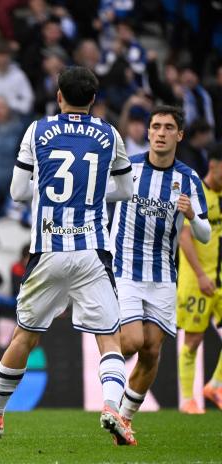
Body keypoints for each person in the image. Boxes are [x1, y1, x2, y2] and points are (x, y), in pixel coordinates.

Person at [0, 66, 136, 445]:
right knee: (108, 339)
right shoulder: (110, 134)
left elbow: (17, 192)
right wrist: (92, 193)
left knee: (24, 337)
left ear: (58, 95)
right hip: (93, 250)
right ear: (93, 100)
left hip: (48, 248)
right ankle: (113, 408)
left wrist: (47, 191)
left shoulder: (38, 130)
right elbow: (125, 191)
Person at [111, 106, 211, 428]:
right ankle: (110, 396)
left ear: (179, 135)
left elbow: (205, 235)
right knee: (131, 341)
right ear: (149, 132)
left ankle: (123, 420)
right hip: (125, 268)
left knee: (152, 351)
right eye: (156, 126)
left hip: (164, 275)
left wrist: (193, 216)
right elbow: (99, 198)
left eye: (169, 127)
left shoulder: (189, 179)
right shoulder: (128, 168)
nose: (161, 133)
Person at [176, 143, 222, 414]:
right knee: (193, 341)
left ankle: (215, 385)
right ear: (213, 165)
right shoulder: (196, 194)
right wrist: (202, 275)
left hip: (220, 278)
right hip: (196, 279)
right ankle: (187, 401)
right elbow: (185, 237)